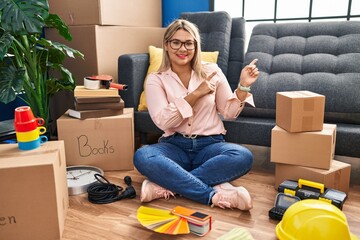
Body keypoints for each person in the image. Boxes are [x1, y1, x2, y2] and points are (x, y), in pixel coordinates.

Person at [134, 19, 259, 210]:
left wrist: (243, 86)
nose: (182, 48)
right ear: (166, 45)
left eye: (188, 43)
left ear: (196, 46)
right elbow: (162, 121)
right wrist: (195, 94)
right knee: (143, 156)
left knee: (243, 156)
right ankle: (213, 195)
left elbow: (229, 112)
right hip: (174, 145)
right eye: (176, 42)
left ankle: (165, 185)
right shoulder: (156, 79)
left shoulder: (212, 71)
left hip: (210, 145)